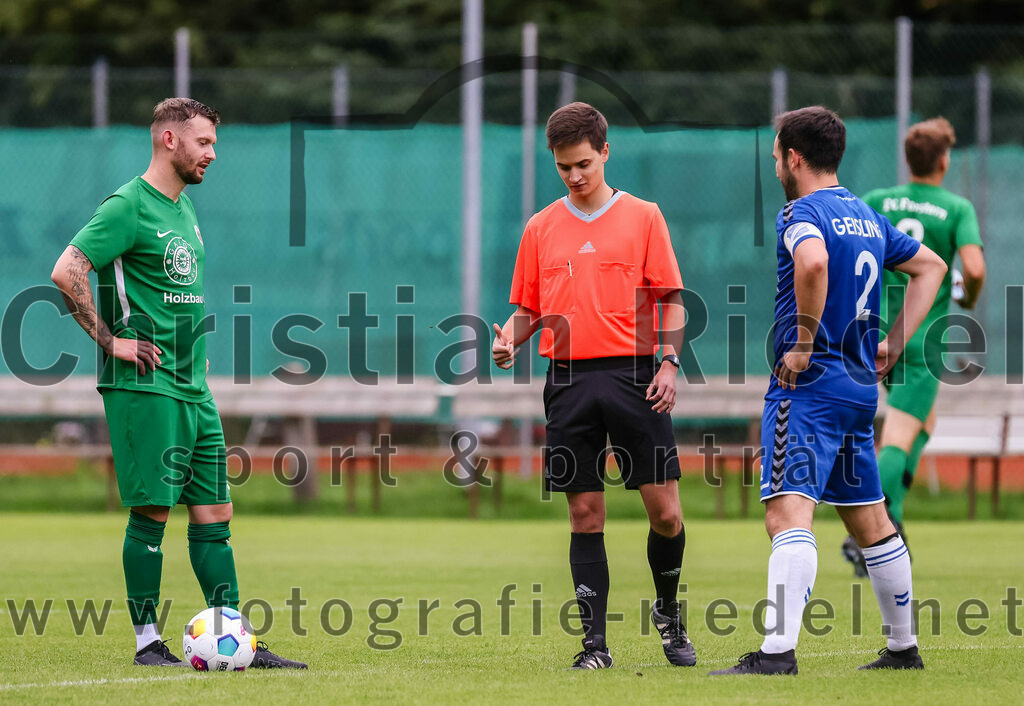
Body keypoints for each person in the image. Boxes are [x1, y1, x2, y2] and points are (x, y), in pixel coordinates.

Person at [50, 98, 306, 669]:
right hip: (146, 385)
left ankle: (237, 641)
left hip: (193, 387)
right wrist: (111, 340)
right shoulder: (128, 206)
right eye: (204, 143)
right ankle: (147, 644)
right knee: (153, 514)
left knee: (216, 513)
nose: (212, 154)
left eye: (214, 143)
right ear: (169, 140)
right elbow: (66, 270)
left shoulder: (184, 210)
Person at [710, 106, 947, 676]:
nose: (774, 165)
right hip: (859, 388)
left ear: (793, 157)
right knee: (870, 519)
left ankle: (776, 655)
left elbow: (812, 261)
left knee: (786, 514)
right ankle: (902, 649)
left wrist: (802, 341)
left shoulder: (801, 212)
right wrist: (891, 342)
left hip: (809, 386)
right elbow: (932, 267)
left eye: (775, 156)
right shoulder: (865, 215)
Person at [492, 102, 694, 670]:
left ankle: (668, 612)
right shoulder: (540, 227)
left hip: (636, 377)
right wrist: (510, 339)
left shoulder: (644, 216)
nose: (575, 176)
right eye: (563, 167)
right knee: (585, 512)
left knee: (666, 514)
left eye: (583, 163)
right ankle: (594, 646)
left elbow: (672, 299)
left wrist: (669, 364)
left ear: (605, 152)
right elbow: (529, 309)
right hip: (568, 382)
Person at [840, 118, 985, 575]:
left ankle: (891, 519)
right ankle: (867, 533)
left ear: (909, 159)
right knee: (899, 435)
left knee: (923, 421)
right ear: (944, 161)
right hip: (921, 340)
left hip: (873, 332)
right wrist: (967, 298)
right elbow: (974, 269)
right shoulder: (956, 207)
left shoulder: (879, 200)